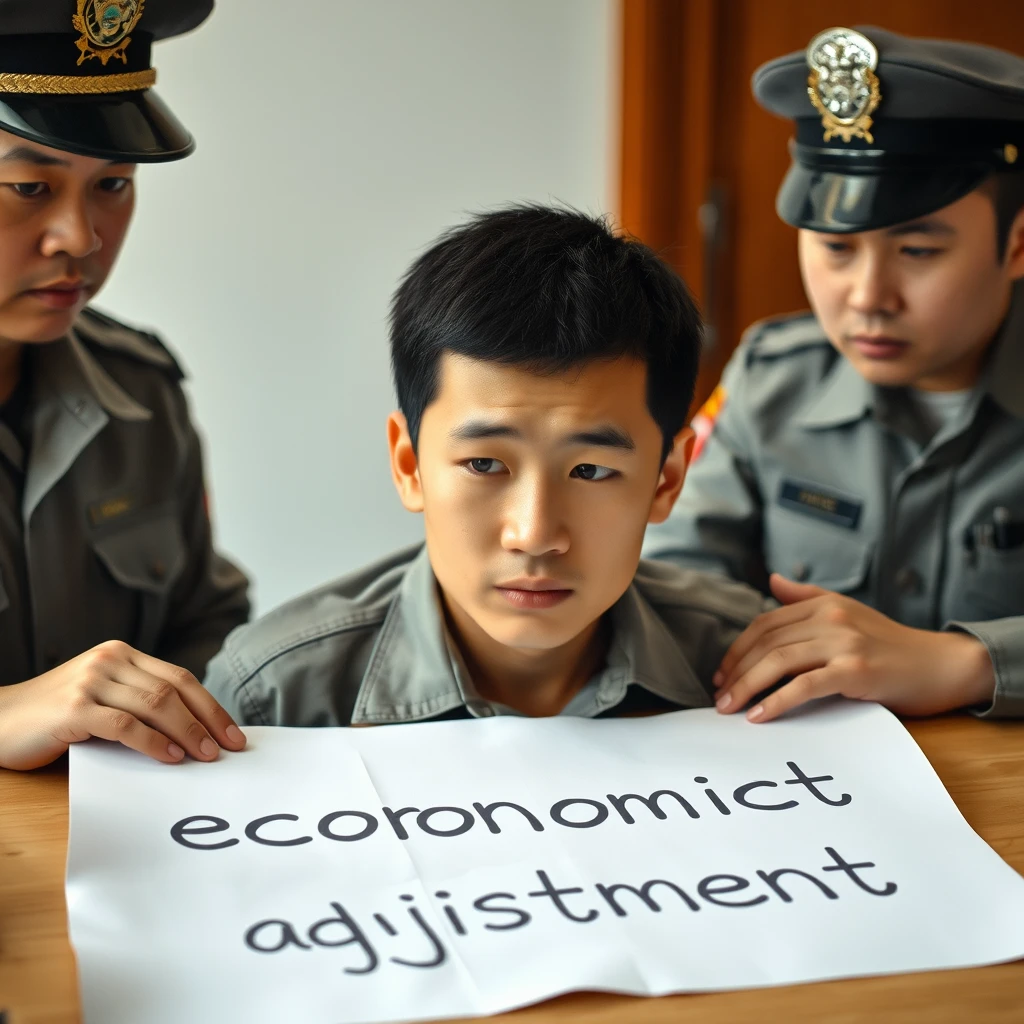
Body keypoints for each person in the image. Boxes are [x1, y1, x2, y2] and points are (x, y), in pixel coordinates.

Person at [203, 205, 770, 726]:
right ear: (409, 464)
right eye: (483, 463)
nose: (535, 535)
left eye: (590, 471)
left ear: (666, 479)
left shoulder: (755, 663)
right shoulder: (271, 697)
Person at [642, 26, 1024, 723]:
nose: (868, 296)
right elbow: (674, 578)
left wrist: (970, 663)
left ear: (1017, 242)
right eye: (836, 248)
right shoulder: (772, 378)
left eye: (916, 250)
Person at [0, 0, 250, 771]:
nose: (81, 237)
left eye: (112, 184)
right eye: (28, 188)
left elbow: (206, 624)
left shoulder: (141, 396)